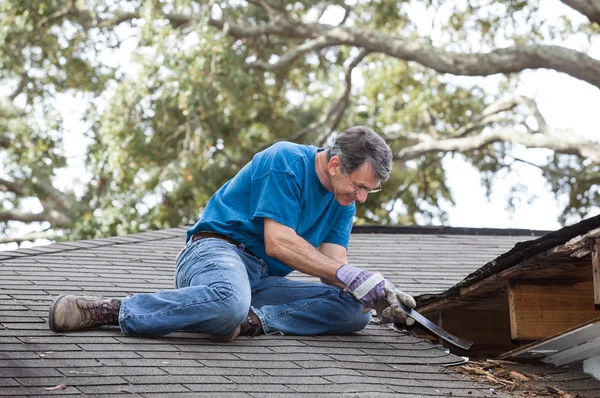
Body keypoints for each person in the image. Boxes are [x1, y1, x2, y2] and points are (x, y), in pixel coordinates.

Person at [48, 126, 416, 341]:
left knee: (354, 313)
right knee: (228, 301)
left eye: (370, 190)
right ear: (335, 164)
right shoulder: (286, 161)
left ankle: (251, 322)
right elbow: (279, 241)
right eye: (359, 186)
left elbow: (333, 265)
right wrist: (346, 276)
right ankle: (115, 310)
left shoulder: (343, 201)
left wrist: (374, 291)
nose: (362, 198)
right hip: (216, 253)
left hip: (260, 279)